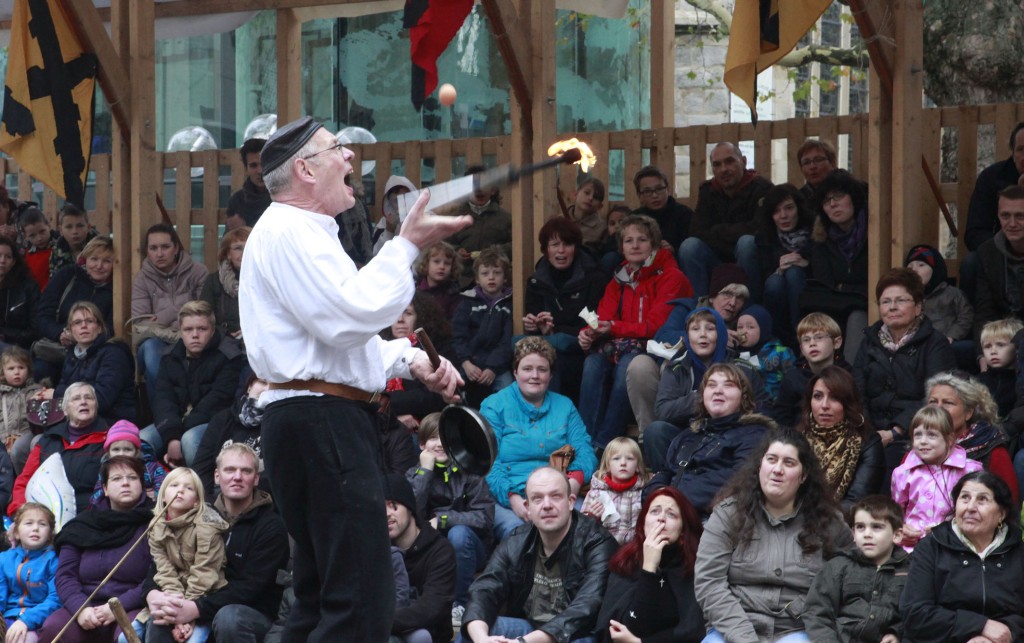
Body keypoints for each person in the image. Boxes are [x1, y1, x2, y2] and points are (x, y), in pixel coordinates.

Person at [237, 116, 465, 641]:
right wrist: (405, 246)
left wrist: (409, 359)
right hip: (323, 425)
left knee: (322, 598)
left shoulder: (297, 231)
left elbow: (332, 341)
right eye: (336, 148)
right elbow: (348, 316)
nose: (350, 156)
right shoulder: (291, 230)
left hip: (312, 420)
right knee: (360, 601)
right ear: (305, 169)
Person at [694, 428, 855, 643]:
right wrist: (745, 638)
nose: (777, 469)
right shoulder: (728, 514)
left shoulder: (829, 523)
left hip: (800, 629)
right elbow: (709, 582)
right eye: (771, 459)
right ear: (760, 466)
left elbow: (854, 582)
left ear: (803, 476)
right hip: (733, 628)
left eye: (789, 463)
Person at [145, 443, 289, 643]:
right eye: (230, 470)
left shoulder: (271, 526)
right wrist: (151, 594)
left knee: (229, 618)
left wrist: (196, 609)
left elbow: (251, 588)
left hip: (246, 614)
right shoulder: (194, 512)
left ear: (256, 478)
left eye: (245, 471)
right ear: (217, 476)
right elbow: (161, 562)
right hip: (191, 601)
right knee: (161, 616)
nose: (237, 477)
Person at [460, 467, 617, 643]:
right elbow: (484, 589)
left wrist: (524, 642)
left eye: (556, 496)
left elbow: (588, 606)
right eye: (537, 498)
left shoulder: (597, 542)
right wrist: (481, 638)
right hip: (530, 629)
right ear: (528, 507)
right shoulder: (516, 540)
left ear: (571, 502)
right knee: (472, 630)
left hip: (577, 635)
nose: (547, 505)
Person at [578, 214, 692, 449]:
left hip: (655, 348)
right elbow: (603, 317)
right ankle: (584, 444)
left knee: (627, 365)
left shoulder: (671, 276)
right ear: (621, 247)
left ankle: (604, 444)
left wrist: (613, 327)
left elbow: (656, 327)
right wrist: (589, 333)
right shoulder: (618, 279)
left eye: (642, 239)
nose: (635, 245)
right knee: (592, 364)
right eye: (628, 241)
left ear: (654, 244)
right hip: (620, 344)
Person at [482, 337, 597, 540]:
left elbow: (585, 451)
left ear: (550, 375)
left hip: (557, 495)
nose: (534, 376)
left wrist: (572, 485)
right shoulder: (494, 405)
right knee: (518, 534)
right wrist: (512, 498)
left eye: (542, 370)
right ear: (515, 372)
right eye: (527, 369)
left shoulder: (565, 406)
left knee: (588, 527)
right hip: (511, 497)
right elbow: (488, 461)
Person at [37, 456, 154, 643]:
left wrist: (117, 607)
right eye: (117, 478)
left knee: (129, 635)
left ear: (141, 485)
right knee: (53, 627)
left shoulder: (156, 523)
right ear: (105, 488)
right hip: (86, 607)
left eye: (132, 478)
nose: (125, 483)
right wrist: (81, 609)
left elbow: (156, 577)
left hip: (132, 606)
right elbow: (65, 575)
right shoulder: (82, 526)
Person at [900, 471, 1024, 643]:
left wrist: (1007, 631)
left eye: (982, 499)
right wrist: (979, 626)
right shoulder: (931, 547)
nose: (970, 507)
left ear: (1001, 514)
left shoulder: (1018, 552)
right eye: (965, 498)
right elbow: (914, 613)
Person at [853, 268, 956, 472]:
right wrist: (868, 430)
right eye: (885, 302)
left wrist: (896, 431)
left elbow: (934, 397)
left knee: (890, 461)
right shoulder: (869, 342)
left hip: (915, 433)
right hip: (871, 431)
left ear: (918, 307)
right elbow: (857, 390)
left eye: (900, 300)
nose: (892, 307)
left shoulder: (935, 344)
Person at [644, 363, 773, 517]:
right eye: (711, 385)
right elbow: (664, 474)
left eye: (728, 385)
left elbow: (740, 480)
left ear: (743, 397)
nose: (718, 390)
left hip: (715, 520)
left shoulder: (755, 434)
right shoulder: (688, 435)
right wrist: (659, 496)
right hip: (673, 514)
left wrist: (673, 498)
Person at [406, 413, 494, 628]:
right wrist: (425, 472)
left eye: (445, 438)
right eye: (433, 438)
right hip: (431, 550)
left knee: (459, 533)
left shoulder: (470, 472)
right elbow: (410, 516)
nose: (440, 444)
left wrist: (444, 519)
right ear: (422, 445)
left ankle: (460, 604)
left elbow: (484, 517)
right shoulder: (413, 474)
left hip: (470, 549)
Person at [596, 487, 705, 643]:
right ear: (643, 524)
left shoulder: (694, 567)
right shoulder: (625, 562)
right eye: (655, 511)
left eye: (671, 514)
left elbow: (692, 632)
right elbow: (625, 629)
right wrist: (649, 568)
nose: (661, 518)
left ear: (682, 531)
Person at [143, 300, 243, 467]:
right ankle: (154, 481)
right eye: (188, 329)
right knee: (142, 440)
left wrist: (178, 435)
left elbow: (217, 401)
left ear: (212, 330)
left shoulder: (228, 355)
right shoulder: (170, 357)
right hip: (176, 422)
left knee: (189, 440)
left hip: (212, 423)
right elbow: (163, 399)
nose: (195, 335)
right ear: (181, 331)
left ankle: (200, 484)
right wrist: (172, 436)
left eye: (202, 329)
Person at [136, 468, 228, 643]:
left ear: (196, 501)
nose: (180, 490)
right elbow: (163, 569)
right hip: (173, 596)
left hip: (203, 598)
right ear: (163, 495)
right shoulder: (156, 526)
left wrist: (186, 613)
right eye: (174, 485)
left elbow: (204, 574)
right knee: (126, 637)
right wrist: (174, 604)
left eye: (189, 488)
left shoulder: (207, 528)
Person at [803, 495, 910, 643]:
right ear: (853, 533)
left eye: (876, 527)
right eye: (860, 527)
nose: (867, 534)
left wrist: (897, 633)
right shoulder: (838, 566)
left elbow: (916, 614)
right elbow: (817, 612)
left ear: (897, 535)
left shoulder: (910, 571)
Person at [523, 217, 605, 401]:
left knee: (551, 362)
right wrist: (536, 326)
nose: (561, 250)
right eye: (554, 245)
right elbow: (534, 327)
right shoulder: (536, 282)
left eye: (567, 244)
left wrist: (555, 330)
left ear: (576, 248)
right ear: (546, 250)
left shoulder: (594, 278)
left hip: (583, 350)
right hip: (548, 349)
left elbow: (593, 323)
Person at [680, 143, 771, 299]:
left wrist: (718, 231)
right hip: (717, 259)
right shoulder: (707, 190)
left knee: (746, 243)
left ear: (743, 162)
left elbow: (760, 230)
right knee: (689, 247)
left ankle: (749, 305)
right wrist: (734, 234)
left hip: (753, 263)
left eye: (729, 161)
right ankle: (701, 306)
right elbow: (697, 231)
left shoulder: (762, 188)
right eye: (717, 164)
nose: (723, 169)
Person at [131, 223, 209, 402]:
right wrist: (185, 306)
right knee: (151, 349)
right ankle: (164, 412)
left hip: (193, 337)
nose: (159, 253)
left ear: (176, 248)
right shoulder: (142, 279)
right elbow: (140, 325)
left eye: (165, 247)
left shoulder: (198, 272)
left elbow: (203, 313)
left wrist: (162, 316)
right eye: (153, 248)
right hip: (157, 342)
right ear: (147, 251)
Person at [891, 405, 983, 551]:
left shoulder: (970, 470)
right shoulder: (903, 473)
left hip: (957, 544)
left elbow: (978, 511)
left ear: (949, 439)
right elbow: (896, 512)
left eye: (931, 435)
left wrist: (946, 529)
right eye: (918, 435)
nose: (923, 441)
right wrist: (901, 528)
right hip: (912, 546)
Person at [9, 382, 108, 517]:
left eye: (88, 398)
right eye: (76, 398)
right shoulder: (48, 440)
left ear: (95, 406)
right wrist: (20, 512)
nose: (83, 402)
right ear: (65, 410)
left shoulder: (108, 439)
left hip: (92, 515)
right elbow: (24, 481)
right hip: (48, 517)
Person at [795, 366, 883, 512]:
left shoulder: (868, 442)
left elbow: (857, 503)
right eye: (818, 396)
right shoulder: (797, 439)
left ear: (849, 403)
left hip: (842, 522)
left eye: (834, 398)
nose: (824, 405)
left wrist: (808, 513)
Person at [803, 170, 869, 363]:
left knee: (857, 318)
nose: (832, 204)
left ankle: (848, 375)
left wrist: (844, 287)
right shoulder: (821, 236)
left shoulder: (874, 231)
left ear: (853, 198)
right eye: (826, 201)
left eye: (838, 196)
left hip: (868, 305)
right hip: (834, 305)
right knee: (817, 320)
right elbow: (825, 285)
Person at [925, 371, 1019, 504]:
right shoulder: (918, 449)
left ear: (968, 412)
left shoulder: (992, 451)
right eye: (933, 402)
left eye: (948, 403)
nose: (938, 409)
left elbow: (1008, 505)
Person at [383, 473, 456, 643]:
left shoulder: (440, 550)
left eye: (393, 506)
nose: (386, 514)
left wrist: (378, 621)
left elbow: (431, 607)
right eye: (380, 508)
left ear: (410, 507)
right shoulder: (376, 550)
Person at [39, 301, 136, 424]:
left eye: (89, 321)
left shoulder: (114, 354)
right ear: (70, 330)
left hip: (113, 423)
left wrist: (55, 394)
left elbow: (102, 399)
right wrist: (42, 396)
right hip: (79, 422)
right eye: (78, 322)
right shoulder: (71, 355)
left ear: (100, 328)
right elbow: (63, 387)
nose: (83, 326)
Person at [35, 236, 114, 383]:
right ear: (85, 259)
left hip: (94, 351)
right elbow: (43, 315)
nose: (99, 266)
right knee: (40, 370)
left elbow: (111, 327)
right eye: (94, 259)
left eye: (106, 261)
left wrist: (84, 337)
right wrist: (59, 333)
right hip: (57, 347)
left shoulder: (116, 289)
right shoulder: (67, 275)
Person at [753, 184, 814, 347]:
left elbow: (824, 268)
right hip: (776, 293)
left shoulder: (814, 230)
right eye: (776, 211)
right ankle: (776, 341)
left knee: (794, 272)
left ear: (799, 208)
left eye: (789, 208)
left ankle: (800, 337)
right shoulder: (765, 235)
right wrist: (779, 269)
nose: (783, 216)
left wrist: (806, 264)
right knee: (775, 282)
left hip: (809, 289)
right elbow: (763, 274)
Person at [451, 247, 514, 406]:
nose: (491, 277)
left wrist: (493, 368)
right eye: (485, 273)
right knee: (451, 387)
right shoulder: (466, 302)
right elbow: (458, 336)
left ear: (505, 277)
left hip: (497, 366)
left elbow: (507, 342)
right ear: (477, 279)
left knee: (508, 390)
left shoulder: (509, 305)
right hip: (469, 362)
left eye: (497, 273)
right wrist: (466, 362)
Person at [191, 376, 268, 498]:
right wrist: (208, 504)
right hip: (217, 497)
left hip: (260, 499)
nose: (267, 389)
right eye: (263, 382)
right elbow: (202, 469)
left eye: (274, 387)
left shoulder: (281, 425)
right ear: (249, 386)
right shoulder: (223, 419)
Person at [772, 312, 850, 428]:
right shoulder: (792, 378)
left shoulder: (849, 375)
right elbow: (781, 421)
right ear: (802, 349)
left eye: (819, 337)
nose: (812, 344)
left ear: (836, 342)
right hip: (800, 436)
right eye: (806, 340)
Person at [445, 165, 513, 288]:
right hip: (462, 282)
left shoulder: (505, 218)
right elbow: (444, 245)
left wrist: (495, 252)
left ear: (493, 190)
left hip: (495, 282)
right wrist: (456, 252)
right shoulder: (454, 218)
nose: (479, 189)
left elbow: (515, 245)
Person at [0, 503, 59, 642]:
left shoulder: (54, 560)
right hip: (9, 616)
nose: (35, 528)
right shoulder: (4, 558)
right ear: (16, 532)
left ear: (50, 533)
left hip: (38, 621)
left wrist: (26, 620)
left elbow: (55, 599)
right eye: (29, 523)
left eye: (42, 524)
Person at [581, 436, 650, 545]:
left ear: (637, 466)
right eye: (616, 458)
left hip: (635, 548)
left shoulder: (644, 492)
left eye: (629, 458)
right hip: (605, 548)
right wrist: (591, 516)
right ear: (608, 465)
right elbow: (581, 529)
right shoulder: (596, 493)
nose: (623, 463)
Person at [974, 185, 1024, 333]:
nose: (1012, 224)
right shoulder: (988, 252)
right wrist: (983, 348)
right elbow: (984, 312)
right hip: (1001, 334)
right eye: (1005, 216)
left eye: (1020, 216)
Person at [89, 420, 166, 506]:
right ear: (108, 453)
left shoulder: (151, 467)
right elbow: (97, 496)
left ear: (137, 452)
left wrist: (156, 494)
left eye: (127, 449)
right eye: (116, 449)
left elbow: (164, 484)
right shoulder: (106, 470)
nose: (121, 454)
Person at [735, 305, 796, 404]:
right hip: (747, 406)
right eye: (740, 327)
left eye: (750, 327)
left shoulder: (781, 352)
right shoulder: (735, 355)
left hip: (775, 405)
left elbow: (792, 381)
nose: (743, 331)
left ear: (764, 329)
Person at [630, 165, 692, 259]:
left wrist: (673, 250)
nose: (654, 195)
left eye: (659, 189)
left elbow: (691, 249)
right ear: (639, 196)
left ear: (668, 190)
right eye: (647, 191)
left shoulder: (684, 214)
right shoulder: (634, 218)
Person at [200, 226, 249, 339]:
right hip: (223, 340)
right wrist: (223, 334)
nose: (245, 252)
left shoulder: (268, 280)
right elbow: (204, 316)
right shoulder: (214, 281)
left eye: (249, 247)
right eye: (238, 248)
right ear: (228, 254)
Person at [0, 346, 43, 472]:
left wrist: (37, 402)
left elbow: (42, 422)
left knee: (20, 449)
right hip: (3, 438)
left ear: (28, 370)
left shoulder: (36, 391)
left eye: (21, 367)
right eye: (11, 368)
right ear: (2, 373)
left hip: (26, 437)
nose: (16, 372)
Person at [0, 236, 40, 350]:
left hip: (18, 348)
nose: (2, 260)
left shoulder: (28, 287)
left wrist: (4, 334)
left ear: (13, 262)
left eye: (8, 257)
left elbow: (35, 330)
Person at [978, 318, 1022, 417]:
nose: (993, 351)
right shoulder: (978, 382)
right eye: (987, 346)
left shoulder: (1020, 384)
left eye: (1000, 345)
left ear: (1017, 347)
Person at [226, 138, 271, 230]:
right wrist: (235, 231)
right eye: (253, 165)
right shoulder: (237, 200)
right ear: (246, 169)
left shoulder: (285, 197)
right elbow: (229, 238)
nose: (260, 171)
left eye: (264, 164)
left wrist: (244, 229)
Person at [414, 241, 463, 319]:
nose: (442, 267)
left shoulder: (454, 296)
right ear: (426, 263)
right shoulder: (414, 290)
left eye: (447, 263)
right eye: (436, 261)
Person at [47, 204, 94, 279]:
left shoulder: (99, 248)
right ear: (61, 230)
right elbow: (54, 279)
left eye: (80, 226)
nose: (75, 231)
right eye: (69, 227)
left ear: (88, 227)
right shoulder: (57, 251)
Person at [373, 175, 416, 256]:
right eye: (396, 200)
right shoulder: (383, 224)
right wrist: (389, 231)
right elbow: (377, 254)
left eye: (406, 198)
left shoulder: (425, 219)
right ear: (389, 203)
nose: (402, 203)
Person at [20, 207, 58, 290]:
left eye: (42, 231)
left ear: (49, 226)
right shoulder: (26, 253)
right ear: (25, 236)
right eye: (32, 235)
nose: (39, 238)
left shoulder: (60, 248)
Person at [569, 177, 608, 253]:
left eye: (596, 197)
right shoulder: (558, 221)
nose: (590, 198)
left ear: (600, 206)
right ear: (575, 194)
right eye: (587, 193)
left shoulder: (602, 228)